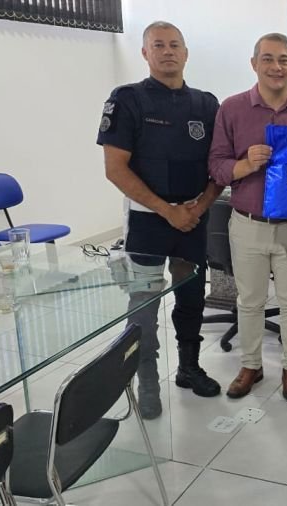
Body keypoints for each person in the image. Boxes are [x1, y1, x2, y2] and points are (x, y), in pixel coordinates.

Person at [97, 21, 224, 418]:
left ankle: (189, 367)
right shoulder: (127, 100)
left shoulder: (206, 104)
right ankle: (147, 379)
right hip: (148, 222)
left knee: (191, 296)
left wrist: (199, 207)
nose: (168, 51)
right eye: (158, 45)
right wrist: (167, 210)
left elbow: (219, 165)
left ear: (186, 53)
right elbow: (115, 169)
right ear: (145, 53)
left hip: (193, 220)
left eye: (174, 45)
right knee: (144, 305)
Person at [208, 33, 287, 400]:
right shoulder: (232, 108)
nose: (276, 67)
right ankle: (251, 365)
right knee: (250, 301)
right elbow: (217, 165)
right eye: (268, 59)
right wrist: (244, 164)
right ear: (254, 64)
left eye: (284, 59)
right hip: (248, 223)